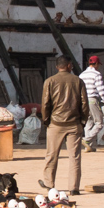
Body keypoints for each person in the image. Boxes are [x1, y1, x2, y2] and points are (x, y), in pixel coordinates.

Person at [39, 56, 89, 194]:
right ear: (69, 65)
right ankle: (74, 188)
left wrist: (46, 120)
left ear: (57, 67)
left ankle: (49, 184)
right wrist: (83, 121)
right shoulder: (78, 81)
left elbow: (45, 104)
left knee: (52, 155)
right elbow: (84, 104)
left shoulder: (49, 81)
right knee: (75, 157)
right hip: (74, 124)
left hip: (55, 124)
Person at [79, 56, 104, 152]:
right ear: (96, 64)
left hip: (82, 100)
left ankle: (88, 147)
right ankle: (86, 140)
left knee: (89, 122)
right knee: (99, 123)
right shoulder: (96, 74)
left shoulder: (82, 75)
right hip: (92, 100)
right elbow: (100, 89)